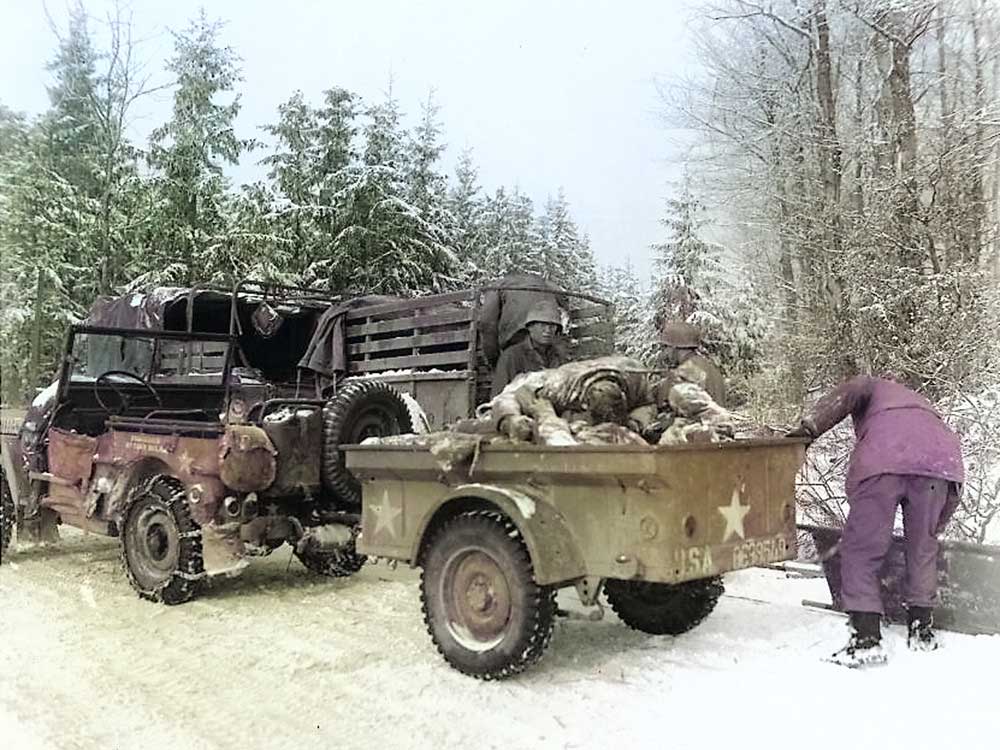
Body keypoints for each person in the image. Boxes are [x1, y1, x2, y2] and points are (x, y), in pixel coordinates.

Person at [787, 376, 964, 666]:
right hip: (942, 466)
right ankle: (921, 628)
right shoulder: (925, 407)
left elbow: (843, 397)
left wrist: (806, 432)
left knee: (861, 548)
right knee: (923, 547)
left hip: (884, 460)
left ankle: (867, 637)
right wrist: (933, 527)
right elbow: (944, 509)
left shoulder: (870, 385)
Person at [490, 299, 567, 397]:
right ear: (530, 327)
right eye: (542, 325)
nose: (547, 330)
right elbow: (498, 396)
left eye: (552, 326)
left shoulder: (560, 356)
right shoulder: (512, 356)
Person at [657, 321, 727, 407]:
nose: (665, 353)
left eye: (665, 347)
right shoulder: (711, 368)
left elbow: (659, 402)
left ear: (674, 348)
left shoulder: (684, 372)